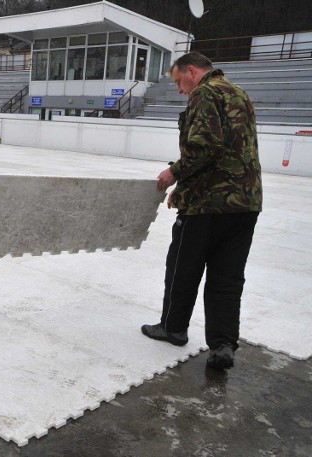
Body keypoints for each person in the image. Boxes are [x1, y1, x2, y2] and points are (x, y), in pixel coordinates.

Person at [141, 51, 263, 370]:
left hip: (208, 203)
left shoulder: (204, 93)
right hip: (245, 203)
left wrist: (174, 175)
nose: (181, 90)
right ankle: (223, 345)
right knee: (227, 276)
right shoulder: (238, 92)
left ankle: (173, 327)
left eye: (180, 82)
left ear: (191, 72)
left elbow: (205, 148)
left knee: (183, 268)